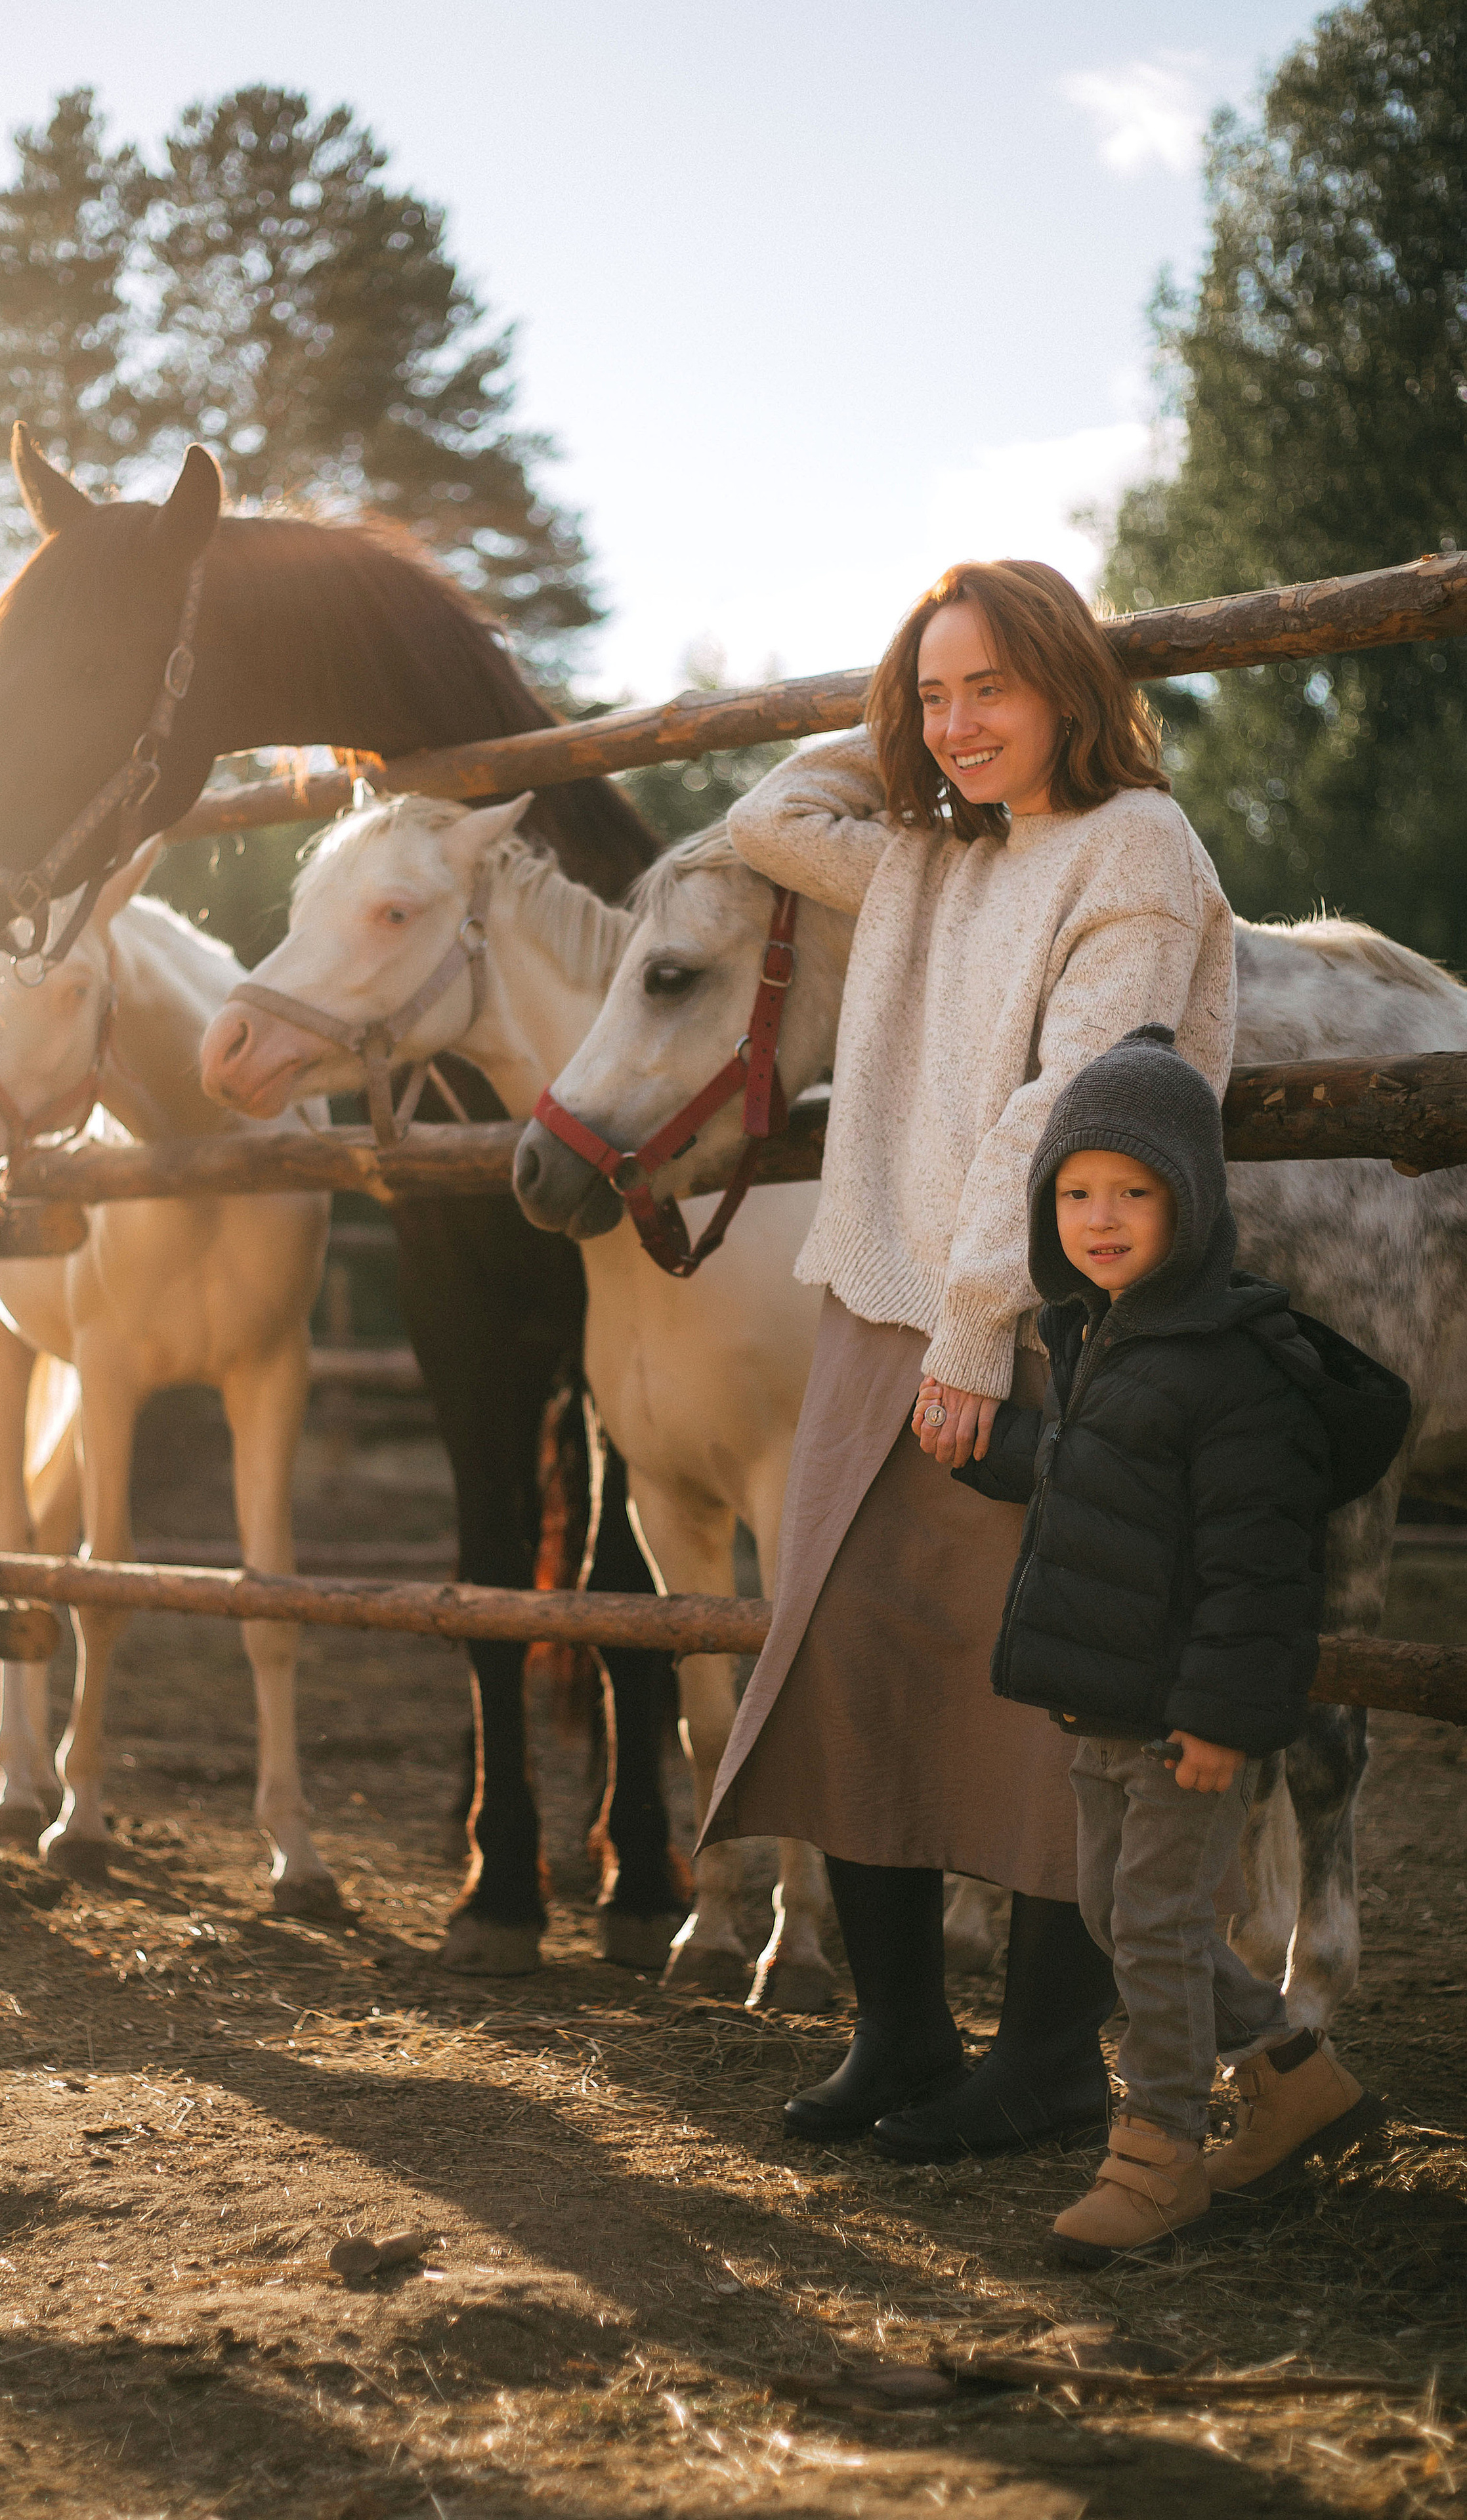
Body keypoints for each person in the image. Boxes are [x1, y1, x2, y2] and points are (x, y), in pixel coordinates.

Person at [703, 558, 1236, 2160]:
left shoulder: (1135, 852)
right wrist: (895, 734)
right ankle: (900, 2031)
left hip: (1043, 1323)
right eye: (930, 697)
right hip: (879, 1300)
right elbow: (764, 823)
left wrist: (978, 1324)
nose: (955, 727)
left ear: (1071, 683)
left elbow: (1072, 1110)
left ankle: (1051, 2062)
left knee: (1045, 1688)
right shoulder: (934, 855)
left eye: (989, 688)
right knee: (850, 1653)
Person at [950, 1023, 1408, 2260]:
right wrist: (991, 1453)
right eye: (1078, 1191)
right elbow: (1086, 1478)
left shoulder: (1231, 1365)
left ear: (1191, 1202)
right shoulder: (1097, 1333)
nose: (1102, 1217)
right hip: (1103, 1708)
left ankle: (1157, 2155)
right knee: (1113, 1912)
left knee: (1150, 1927)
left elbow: (1263, 1569)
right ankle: (1292, 2076)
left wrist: (1221, 1718)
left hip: (1179, 1720)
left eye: (1135, 1192)